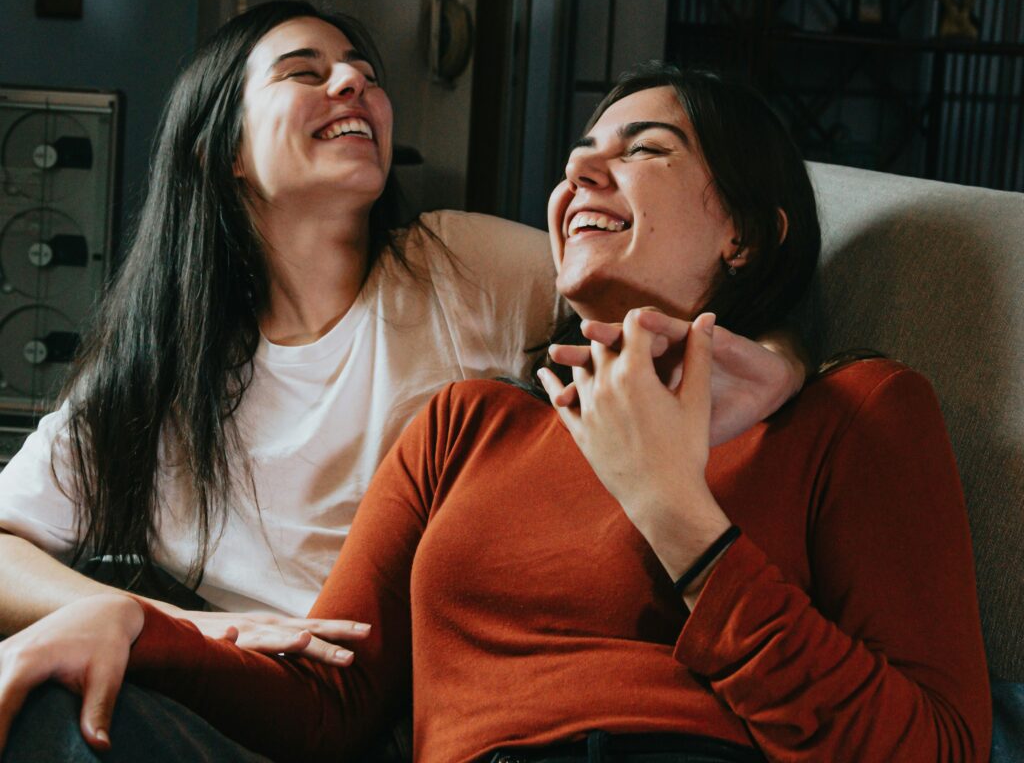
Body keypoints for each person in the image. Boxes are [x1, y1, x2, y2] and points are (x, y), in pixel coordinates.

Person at [0, 65, 991, 762]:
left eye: (643, 149)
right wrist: (128, 621)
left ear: (745, 232)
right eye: (577, 155)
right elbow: (333, 700)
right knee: (53, 709)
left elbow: (938, 746)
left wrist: (678, 515)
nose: (580, 175)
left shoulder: (854, 412)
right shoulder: (467, 427)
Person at [0, 4, 801, 664]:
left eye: (365, 75)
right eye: (305, 72)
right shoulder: (162, 372)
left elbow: (672, 298)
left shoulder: (457, 265)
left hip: (430, 699)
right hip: (243, 694)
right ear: (225, 153)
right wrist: (169, 624)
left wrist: (786, 364)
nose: (353, 81)